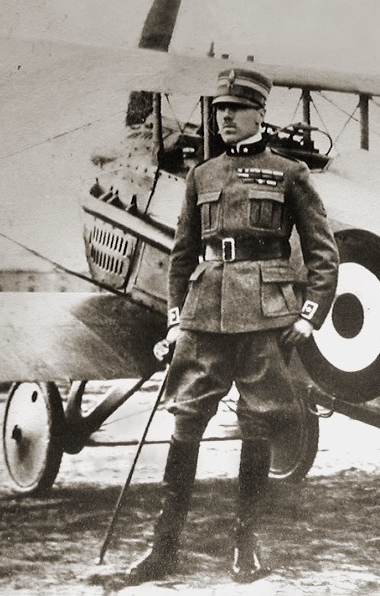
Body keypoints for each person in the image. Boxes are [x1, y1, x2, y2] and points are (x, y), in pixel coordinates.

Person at [127, 67, 339, 584]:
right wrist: (176, 320)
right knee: (185, 420)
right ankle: (164, 547)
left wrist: (311, 316)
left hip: (265, 316)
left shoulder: (289, 174)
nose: (224, 117)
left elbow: (323, 254)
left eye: (235, 109)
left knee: (259, 420)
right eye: (220, 108)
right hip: (203, 313)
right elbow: (181, 256)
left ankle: (246, 546)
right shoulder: (203, 175)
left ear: (259, 113)